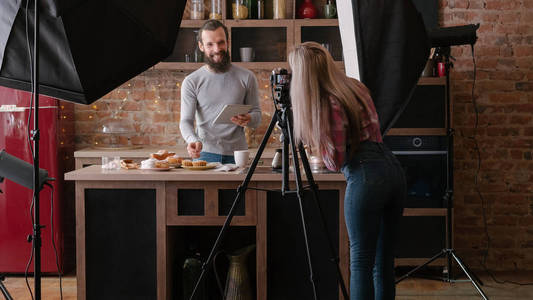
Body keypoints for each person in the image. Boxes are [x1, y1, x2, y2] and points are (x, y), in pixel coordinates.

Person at [288, 42, 406, 300]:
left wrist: (317, 144)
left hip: (365, 176)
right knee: (383, 262)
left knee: (361, 262)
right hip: (393, 169)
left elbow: (335, 161)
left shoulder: (327, 103)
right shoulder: (355, 86)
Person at [180, 20, 261, 163]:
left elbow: (257, 117)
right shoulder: (191, 81)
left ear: (228, 42)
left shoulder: (247, 77)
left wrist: (249, 119)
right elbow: (186, 121)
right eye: (210, 44)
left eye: (221, 42)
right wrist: (192, 139)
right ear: (201, 46)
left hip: (238, 154)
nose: (217, 49)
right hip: (204, 154)